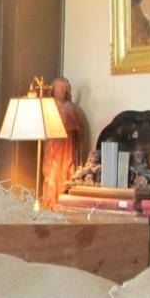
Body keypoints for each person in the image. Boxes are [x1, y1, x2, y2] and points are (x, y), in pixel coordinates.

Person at [41, 77, 88, 207]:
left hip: (68, 146)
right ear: (53, 90)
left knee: (67, 170)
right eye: (59, 88)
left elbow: (80, 128)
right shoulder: (48, 107)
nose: (62, 91)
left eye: (65, 88)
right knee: (51, 172)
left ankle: (64, 201)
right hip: (53, 146)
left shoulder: (73, 109)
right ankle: (50, 201)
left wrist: (71, 127)